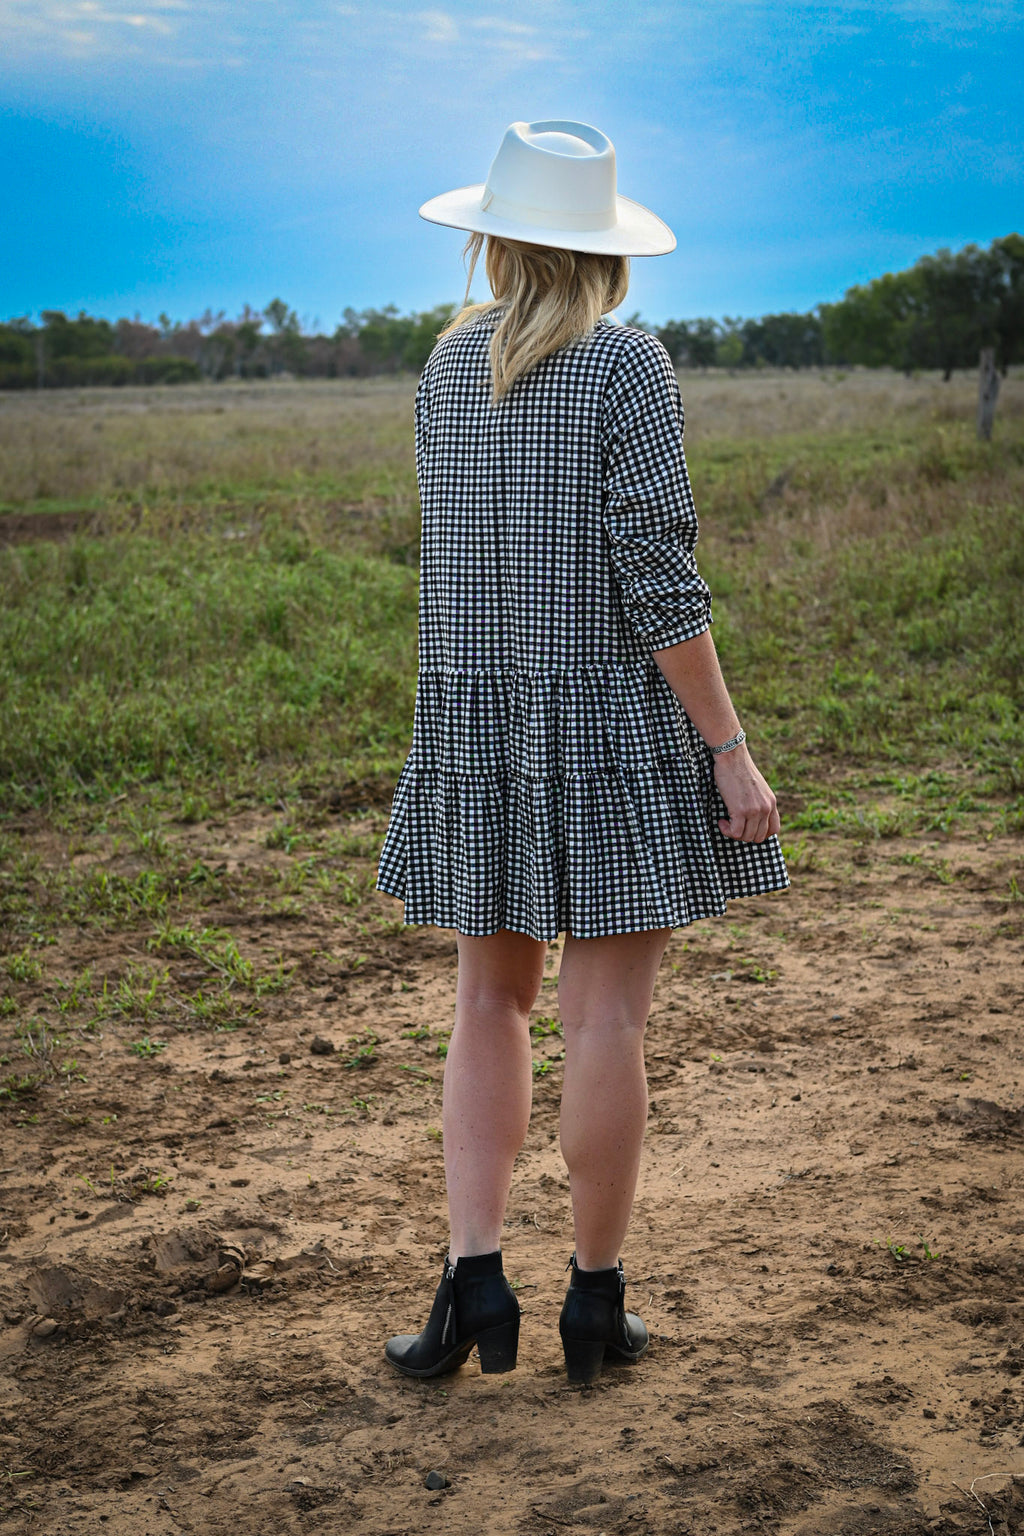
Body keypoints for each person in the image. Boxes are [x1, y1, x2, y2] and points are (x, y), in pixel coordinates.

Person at [376, 119, 788, 1384]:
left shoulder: (444, 373)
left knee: (484, 1004)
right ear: (602, 252)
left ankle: (470, 1285)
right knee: (604, 1018)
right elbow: (658, 582)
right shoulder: (625, 368)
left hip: (471, 720)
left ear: (495, 240)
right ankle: (594, 1305)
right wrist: (727, 746)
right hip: (609, 730)